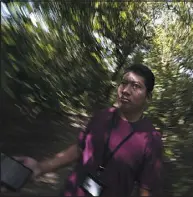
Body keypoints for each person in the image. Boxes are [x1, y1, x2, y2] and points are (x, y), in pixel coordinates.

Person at [6, 64, 163, 197]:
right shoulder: (103, 116)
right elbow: (80, 149)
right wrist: (40, 167)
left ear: (148, 97)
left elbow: (145, 190)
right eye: (124, 83)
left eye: (136, 86)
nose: (126, 90)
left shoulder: (151, 139)